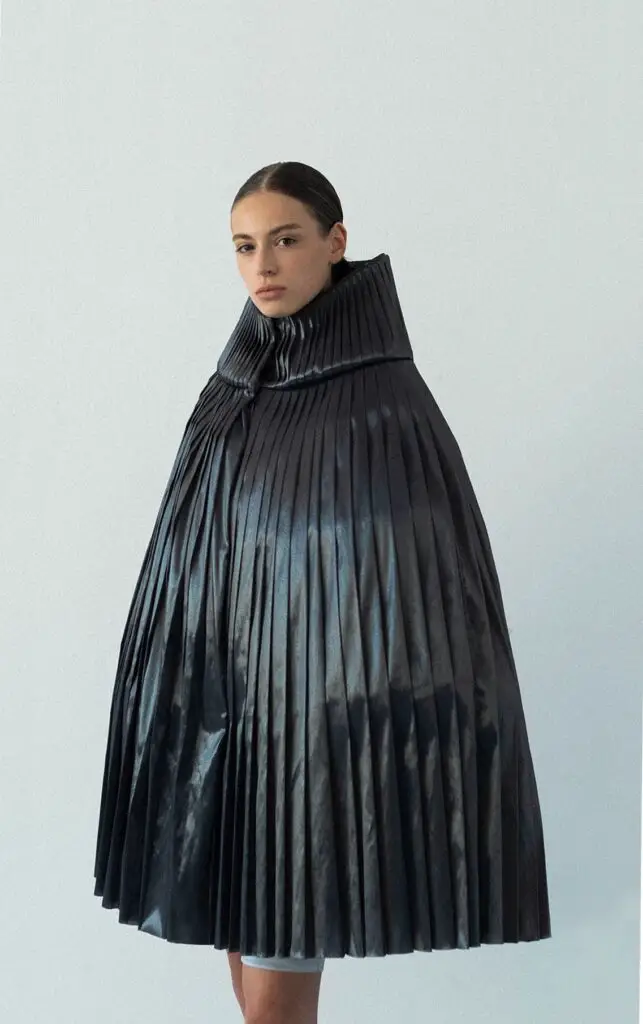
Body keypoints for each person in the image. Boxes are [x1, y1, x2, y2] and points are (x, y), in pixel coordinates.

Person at [93, 161, 551, 1024]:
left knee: (273, 1002)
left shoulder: (382, 404)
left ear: (335, 242)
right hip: (224, 730)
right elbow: (196, 555)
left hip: (311, 751)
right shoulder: (233, 388)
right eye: (244, 247)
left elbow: (418, 588)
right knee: (247, 976)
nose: (263, 265)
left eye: (285, 240)